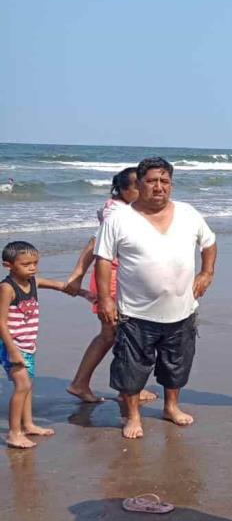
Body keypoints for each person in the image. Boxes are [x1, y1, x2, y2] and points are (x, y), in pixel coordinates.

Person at [95, 156, 217, 439]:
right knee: (131, 369)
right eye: (151, 181)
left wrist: (207, 273)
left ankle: (171, 407)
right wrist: (105, 299)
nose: (159, 187)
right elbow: (102, 259)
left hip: (182, 310)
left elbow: (209, 243)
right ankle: (133, 416)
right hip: (135, 313)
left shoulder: (188, 213)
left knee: (176, 365)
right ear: (139, 183)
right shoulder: (120, 218)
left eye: (165, 181)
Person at [62, 166, 157, 404]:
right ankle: (125, 389)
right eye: (138, 186)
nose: (144, 190)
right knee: (119, 333)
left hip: (119, 276)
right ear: (123, 190)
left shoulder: (124, 209)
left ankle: (85, 383)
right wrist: (77, 274)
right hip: (112, 278)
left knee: (112, 334)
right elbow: (95, 243)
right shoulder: (116, 213)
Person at [2, 241, 89, 448]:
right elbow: (0, 321)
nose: (32, 267)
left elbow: (59, 286)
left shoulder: (33, 282)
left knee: (28, 385)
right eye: (26, 264)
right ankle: (14, 433)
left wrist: (85, 293)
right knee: (22, 385)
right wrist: (12, 351)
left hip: (27, 344)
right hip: (11, 346)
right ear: (9, 265)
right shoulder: (7, 288)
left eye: (35, 263)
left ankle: (29, 424)